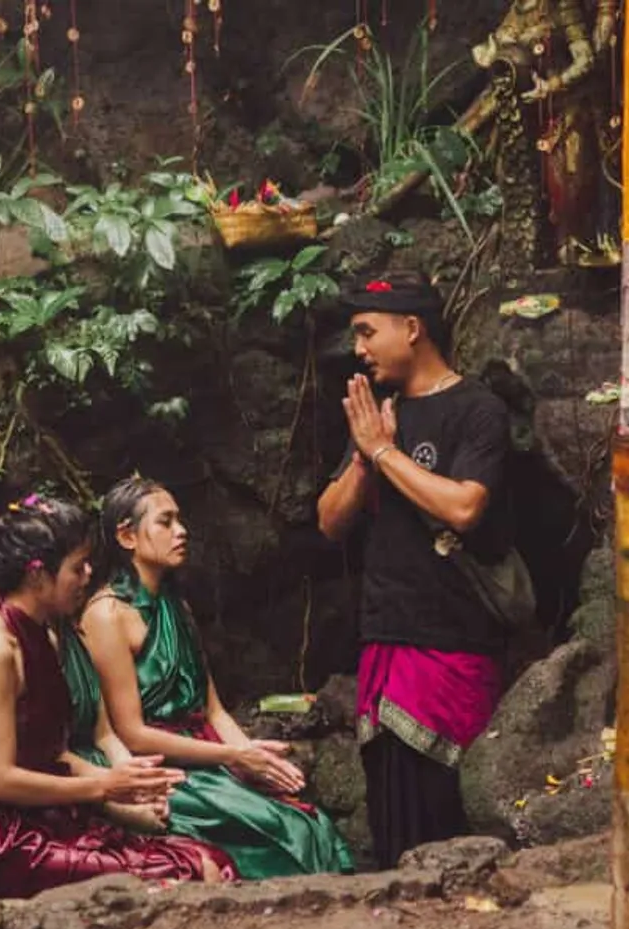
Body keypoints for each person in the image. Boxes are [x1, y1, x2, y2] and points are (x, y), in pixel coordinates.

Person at [315, 270, 514, 869]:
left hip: (452, 642)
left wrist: (383, 452)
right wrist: (363, 457)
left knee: (446, 808)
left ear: (413, 327)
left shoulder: (478, 410)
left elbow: (464, 505)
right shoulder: (380, 415)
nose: (359, 349)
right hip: (385, 639)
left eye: (367, 332)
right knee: (390, 808)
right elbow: (328, 521)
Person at [61, 476, 355, 879]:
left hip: (204, 752)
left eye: (179, 521)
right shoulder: (107, 615)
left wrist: (253, 758)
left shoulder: (176, 605)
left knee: (306, 815)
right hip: (156, 764)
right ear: (127, 536)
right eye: (165, 522)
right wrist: (234, 756)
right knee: (281, 828)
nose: (181, 531)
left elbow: (213, 710)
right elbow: (131, 733)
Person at [0, 493, 235, 899]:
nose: (87, 575)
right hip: (9, 839)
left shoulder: (44, 633)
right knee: (193, 870)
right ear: (37, 576)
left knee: (210, 858)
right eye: (76, 567)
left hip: (52, 816)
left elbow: (51, 754)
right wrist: (104, 789)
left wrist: (127, 779)